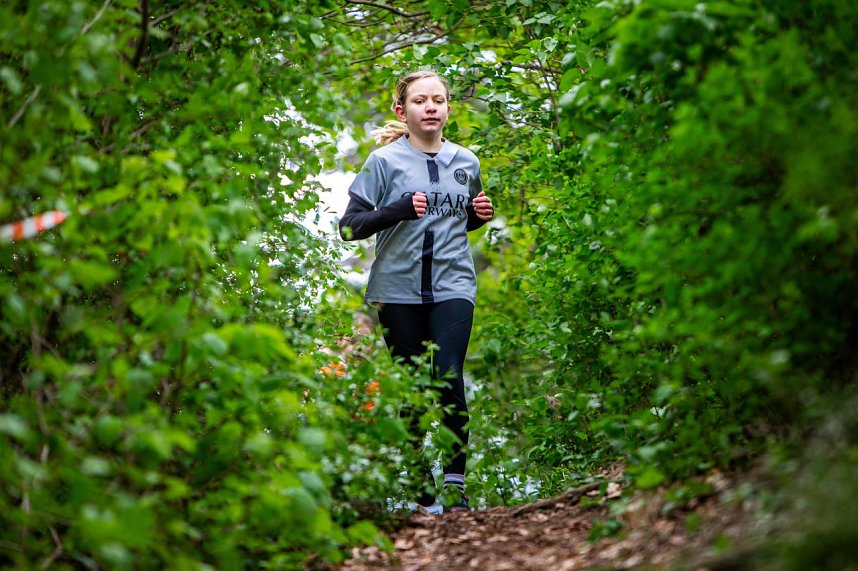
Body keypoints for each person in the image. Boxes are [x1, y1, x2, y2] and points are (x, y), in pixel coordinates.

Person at [338, 70, 494, 513]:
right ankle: (422, 491)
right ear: (401, 111)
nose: (430, 107)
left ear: (448, 109)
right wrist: (396, 210)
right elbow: (350, 228)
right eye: (421, 100)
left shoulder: (467, 162)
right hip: (398, 288)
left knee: (448, 375)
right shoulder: (384, 162)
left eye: (438, 100)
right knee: (409, 387)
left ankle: (454, 487)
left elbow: (453, 223)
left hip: (454, 284)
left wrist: (478, 217)